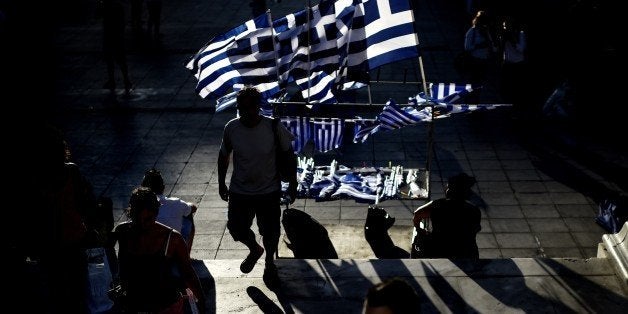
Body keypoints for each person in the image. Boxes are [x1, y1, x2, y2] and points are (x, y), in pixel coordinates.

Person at [217, 85, 297, 290]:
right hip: (239, 191)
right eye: (240, 109)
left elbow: (289, 154)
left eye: (247, 108)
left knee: (270, 231)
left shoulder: (273, 126)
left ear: (257, 107)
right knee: (236, 227)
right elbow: (224, 155)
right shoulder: (231, 128)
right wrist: (221, 183)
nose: (244, 113)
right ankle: (254, 249)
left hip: (268, 191)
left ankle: (269, 263)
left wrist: (293, 183)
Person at [111, 187, 205, 313]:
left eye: (148, 219)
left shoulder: (172, 239)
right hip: (133, 305)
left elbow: (188, 273)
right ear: (130, 213)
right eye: (137, 219)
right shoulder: (123, 231)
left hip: (165, 307)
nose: (142, 224)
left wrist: (202, 302)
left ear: (155, 214)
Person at [412, 173, 481, 259]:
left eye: (448, 187)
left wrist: (419, 229)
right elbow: (475, 230)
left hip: (439, 250)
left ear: (450, 191)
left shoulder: (438, 205)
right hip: (465, 252)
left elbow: (417, 214)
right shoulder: (473, 210)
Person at [141, 168, 197, 254]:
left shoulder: (138, 205)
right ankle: (186, 255)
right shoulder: (176, 202)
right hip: (171, 250)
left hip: (146, 250)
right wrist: (188, 205)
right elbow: (193, 208)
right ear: (163, 187)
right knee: (188, 217)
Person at [497, 16, 528, 119]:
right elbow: (500, 49)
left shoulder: (520, 34)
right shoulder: (504, 35)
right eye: (504, 26)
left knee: (516, 88)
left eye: (506, 26)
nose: (505, 28)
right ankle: (509, 108)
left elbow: (521, 49)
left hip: (517, 64)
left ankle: (516, 109)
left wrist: (513, 41)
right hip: (507, 63)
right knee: (505, 87)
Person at [463, 10, 496, 102]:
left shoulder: (487, 33)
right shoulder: (472, 32)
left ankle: (476, 98)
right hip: (475, 61)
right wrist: (478, 46)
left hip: (484, 61)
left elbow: (493, 47)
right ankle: (471, 98)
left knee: (480, 82)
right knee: (473, 81)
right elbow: (467, 47)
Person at [102, 0, 133, 95]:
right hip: (117, 36)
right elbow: (122, 22)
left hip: (109, 36)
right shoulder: (118, 7)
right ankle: (126, 80)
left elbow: (97, 15)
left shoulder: (106, 6)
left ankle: (113, 81)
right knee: (120, 60)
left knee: (111, 60)